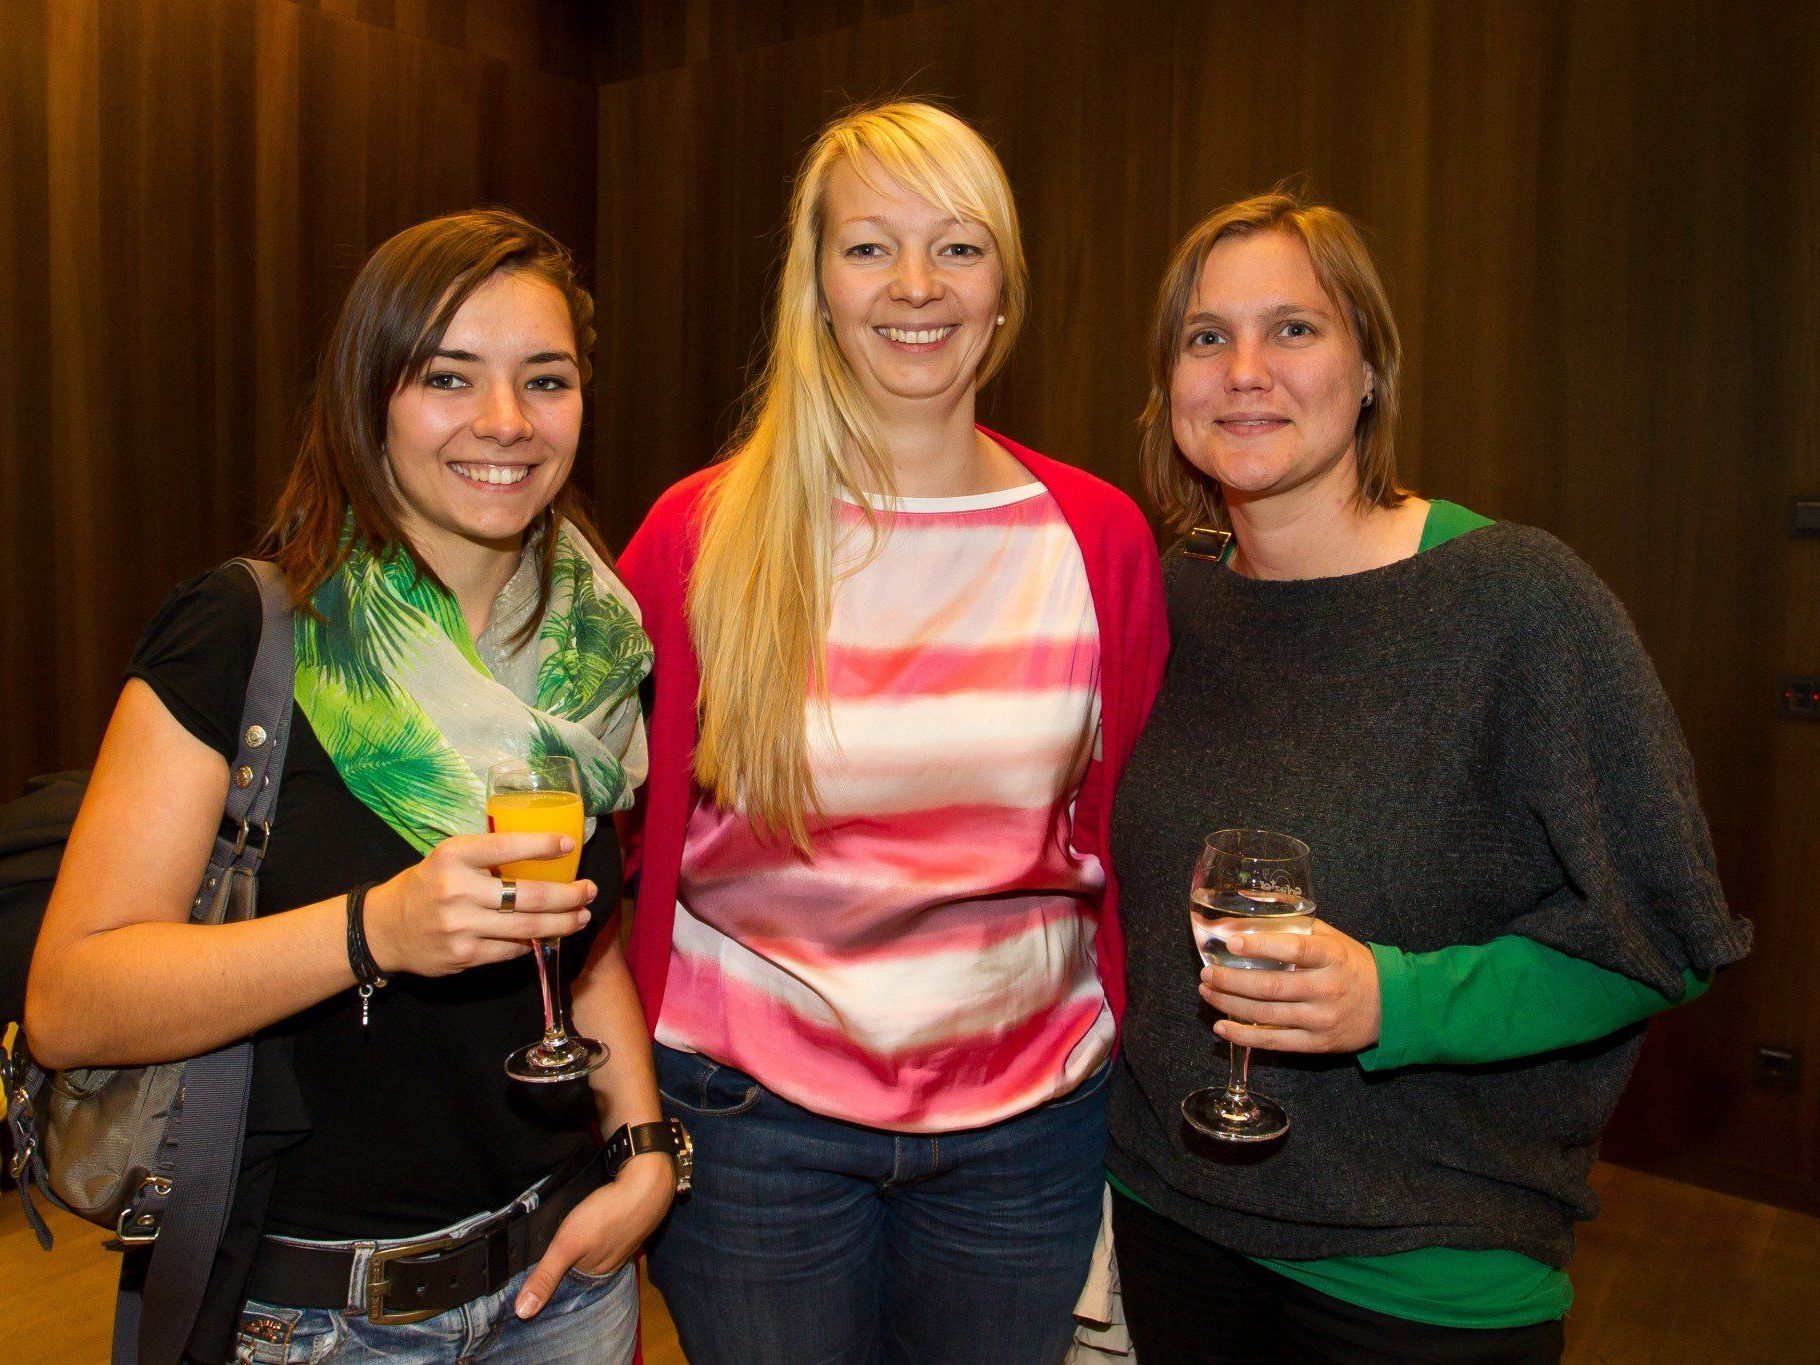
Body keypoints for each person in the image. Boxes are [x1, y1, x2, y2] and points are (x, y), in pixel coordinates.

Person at [1103, 189, 1754, 1363]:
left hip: (1421, 1267)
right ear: (1170, 387)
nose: (1244, 368)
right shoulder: (1167, 600)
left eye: (1292, 329)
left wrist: (1391, 1004)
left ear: (1367, 370)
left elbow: (1661, 930)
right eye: (1207, 337)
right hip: (1168, 1218)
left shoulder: (1515, 599)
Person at [24, 209, 679, 1363]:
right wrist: (375, 931)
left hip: (563, 1286)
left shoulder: (599, 649)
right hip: (318, 1318)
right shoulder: (246, 632)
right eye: (447, 377)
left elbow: (591, 950)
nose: (504, 423)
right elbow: (74, 1003)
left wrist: (643, 1158)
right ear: (367, 392)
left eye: (546, 379)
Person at [615, 101, 1167, 1364]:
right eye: (868, 247)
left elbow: (1123, 839)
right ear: (813, 282)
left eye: (957, 246)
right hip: (751, 1124)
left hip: (1028, 1131)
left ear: (1004, 286)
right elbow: (617, 850)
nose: (915, 286)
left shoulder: (1096, 541)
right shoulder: (699, 537)